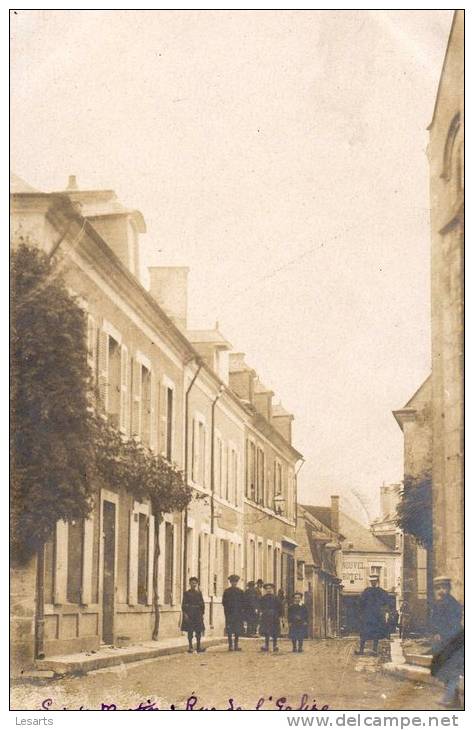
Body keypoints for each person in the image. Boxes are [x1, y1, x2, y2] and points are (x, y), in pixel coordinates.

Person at [430, 576, 464, 708]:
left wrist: (440, 633)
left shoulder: (452, 603)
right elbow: (433, 621)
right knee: (446, 671)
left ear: (448, 589)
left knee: (451, 671)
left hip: (452, 641)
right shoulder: (439, 603)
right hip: (443, 643)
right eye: (438, 588)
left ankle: (449, 698)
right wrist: (435, 632)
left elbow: (453, 623)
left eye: (444, 587)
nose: (441, 590)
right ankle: (454, 700)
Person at [354, 574, 389, 656]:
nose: (373, 583)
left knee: (375, 634)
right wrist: (361, 612)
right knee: (363, 634)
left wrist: (383, 611)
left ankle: (374, 650)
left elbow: (386, 602)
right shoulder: (367, 591)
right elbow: (360, 602)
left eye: (374, 581)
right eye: (372, 581)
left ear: (377, 582)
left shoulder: (381, 592)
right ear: (370, 582)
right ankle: (361, 650)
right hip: (368, 616)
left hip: (376, 616)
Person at [181, 576, 206, 653]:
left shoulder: (199, 593)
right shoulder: (186, 593)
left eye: (195, 583)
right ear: (190, 584)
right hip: (190, 614)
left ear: (197, 584)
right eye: (192, 583)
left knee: (198, 631)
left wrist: (202, 613)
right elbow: (183, 604)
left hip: (198, 614)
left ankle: (198, 647)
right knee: (190, 631)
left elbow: (202, 603)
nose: (194, 584)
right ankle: (190, 647)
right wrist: (185, 614)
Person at [222, 574, 245, 651]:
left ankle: (236, 645)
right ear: (230, 582)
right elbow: (224, 602)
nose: (234, 583)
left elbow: (243, 603)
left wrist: (241, 612)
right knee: (229, 630)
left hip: (238, 613)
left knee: (237, 630)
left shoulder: (240, 592)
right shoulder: (227, 591)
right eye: (232, 582)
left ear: (237, 582)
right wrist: (227, 611)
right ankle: (230, 645)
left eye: (235, 582)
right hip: (230, 613)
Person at [259, 582, 281, 652]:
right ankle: (266, 645)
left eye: (270, 588)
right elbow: (260, 606)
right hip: (266, 616)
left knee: (274, 631)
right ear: (265, 590)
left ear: (272, 589)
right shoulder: (263, 598)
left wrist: (279, 615)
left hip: (274, 616)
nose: (269, 590)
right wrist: (261, 613)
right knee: (266, 631)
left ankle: (275, 645)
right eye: (267, 589)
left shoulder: (276, 598)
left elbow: (280, 607)